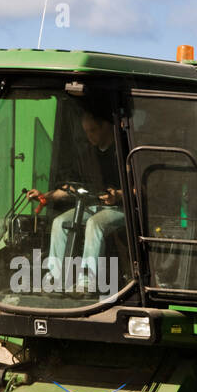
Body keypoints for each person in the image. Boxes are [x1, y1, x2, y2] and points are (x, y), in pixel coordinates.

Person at [25, 104, 125, 294]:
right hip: (95, 207)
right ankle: (55, 278)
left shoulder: (123, 151)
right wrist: (45, 196)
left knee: (95, 223)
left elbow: (140, 189)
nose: (89, 136)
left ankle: (87, 280)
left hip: (123, 210)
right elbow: (73, 187)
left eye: (93, 130)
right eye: (86, 131)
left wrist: (118, 195)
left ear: (106, 126)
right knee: (60, 222)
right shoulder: (88, 155)